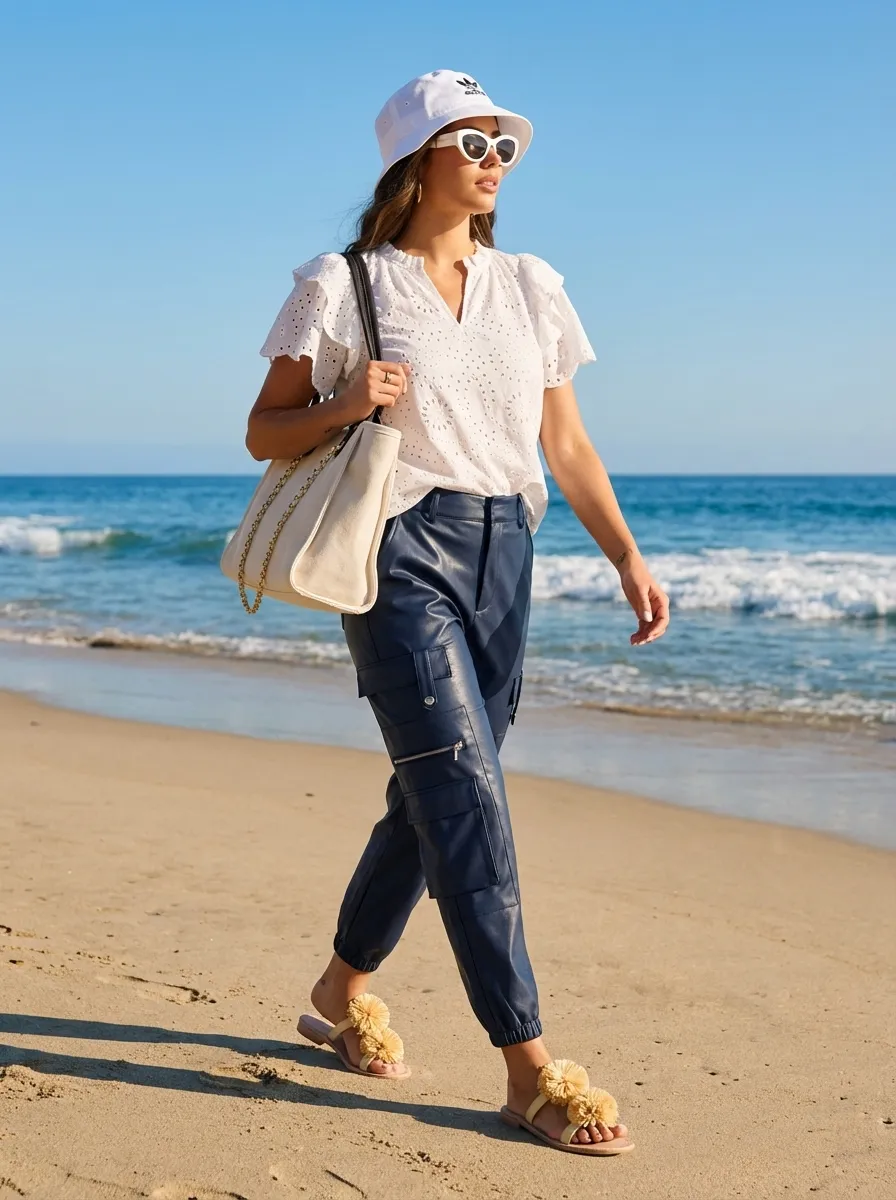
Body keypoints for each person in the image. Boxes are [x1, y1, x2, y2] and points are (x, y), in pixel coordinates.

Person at [245, 70, 669, 1157]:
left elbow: (563, 444)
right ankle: (527, 1066)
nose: (489, 160)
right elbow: (266, 429)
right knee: (466, 794)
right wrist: (349, 402)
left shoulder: (528, 283)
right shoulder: (344, 284)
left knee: (431, 790)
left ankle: (340, 989)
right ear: (415, 159)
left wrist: (624, 555)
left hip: (504, 553)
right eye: (468, 141)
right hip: (398, 552)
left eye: (501, 147)